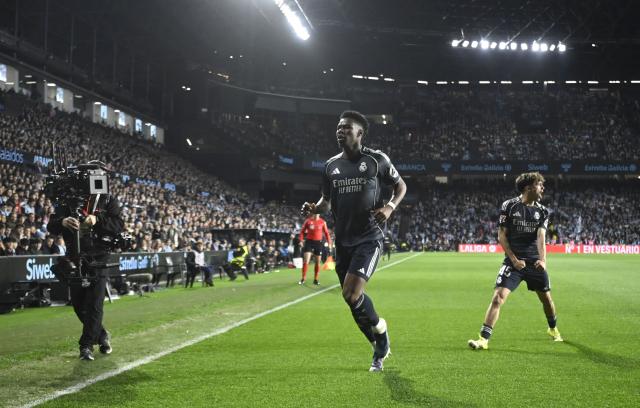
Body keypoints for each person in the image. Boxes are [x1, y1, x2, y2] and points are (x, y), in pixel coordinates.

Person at [301, 110, 407, 372]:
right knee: (351, 301)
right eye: (338, 127)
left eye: (347, 127)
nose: (340, 131)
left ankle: (381, 338)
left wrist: (390, 207)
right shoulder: (330, 166)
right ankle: (378, 343)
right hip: (343, 241)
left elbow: (401, 186)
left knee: (351, 293)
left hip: (368, 238)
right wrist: (314, 208)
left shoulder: (376, 160)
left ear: (360, 133)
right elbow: (326, 203)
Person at [468, 172, 562, 351]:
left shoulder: (542, 211)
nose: (543, 188)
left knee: (547, 300)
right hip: (513, 263)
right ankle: (483, 339)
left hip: (535, 263)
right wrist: (514, 259)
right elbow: (501, 235)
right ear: (528, 187)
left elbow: (541, 237)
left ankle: (553, 328)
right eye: (539, 184)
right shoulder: (509, 206)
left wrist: (543, 261)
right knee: (497, 298)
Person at [47, 161, 124, 361]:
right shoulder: (68, 200)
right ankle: (102, 335)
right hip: (74, 255)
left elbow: (118, 225)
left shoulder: (107, 200)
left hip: (99, 256)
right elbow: (51, 225)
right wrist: (62, 221)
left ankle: (86, 346)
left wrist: (97, 220)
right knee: (78, 303)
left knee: (95, 303)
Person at [298, 214, 332, 285]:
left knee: (317, 262)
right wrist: (301, 240)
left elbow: (326, 233)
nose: (316, 213)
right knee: (306, 260)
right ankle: (303, 278)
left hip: (318, 243)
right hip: (309, 242)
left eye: (318, 212)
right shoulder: (308, 221)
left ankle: (316, 279)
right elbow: (302, 231)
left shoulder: (322, 222)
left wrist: (329, 242)